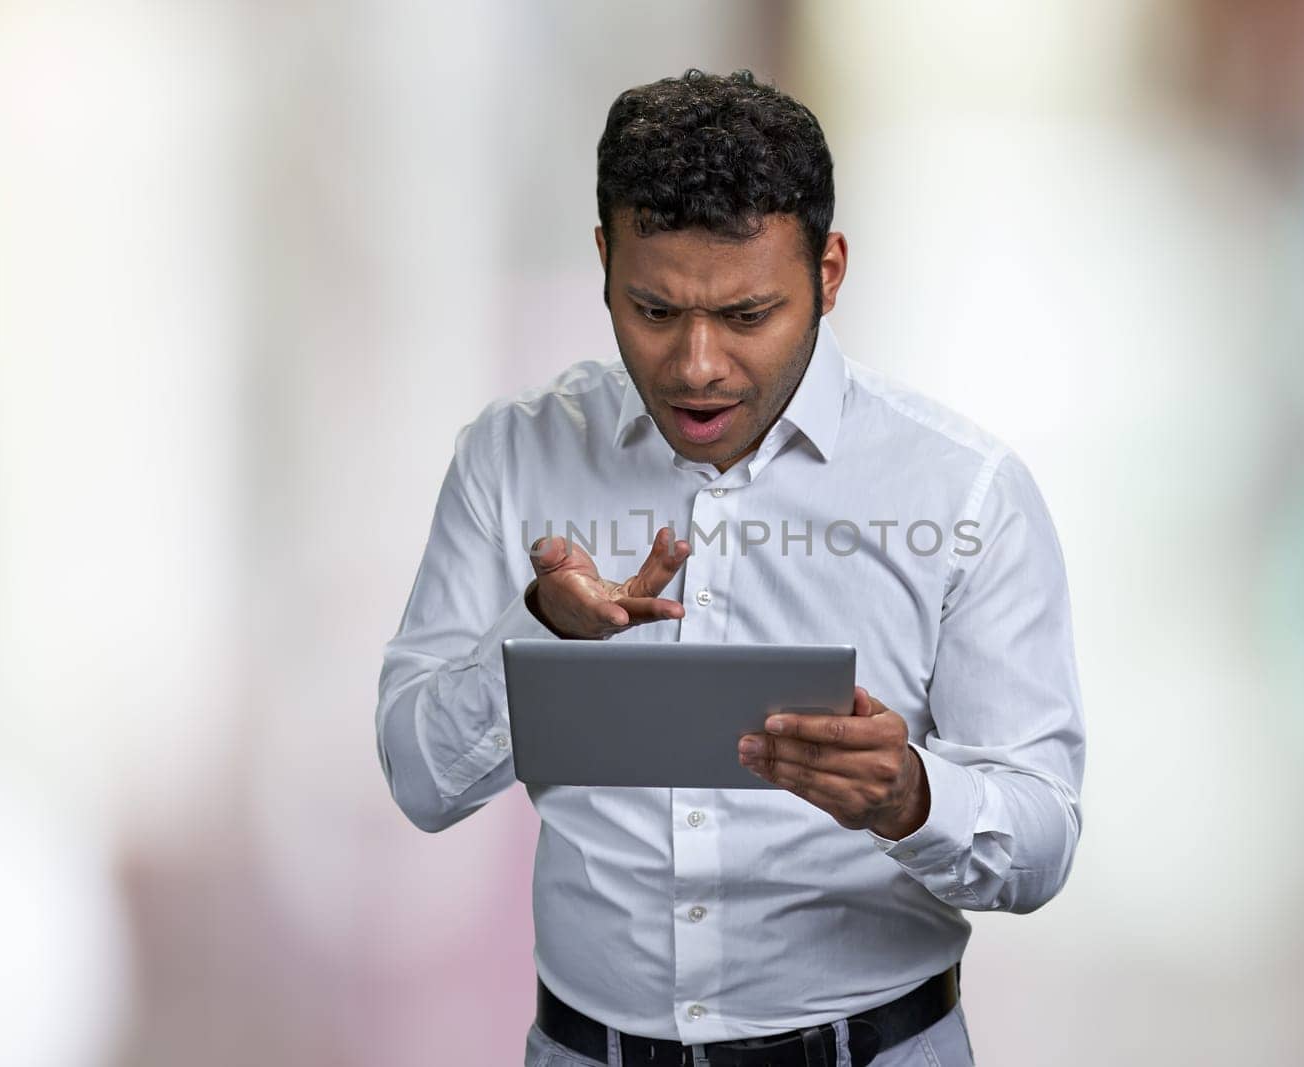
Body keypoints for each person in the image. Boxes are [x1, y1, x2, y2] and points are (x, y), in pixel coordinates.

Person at [376, 68, 1085, 1067]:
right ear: (602, 262)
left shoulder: (964, 493)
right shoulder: (510, 457)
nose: (695, 363)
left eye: (747, 315)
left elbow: (1042, 833)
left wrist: (912, 796)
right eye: (653, 309)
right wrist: (538, 628)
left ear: (829, 273)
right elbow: (418, 778)